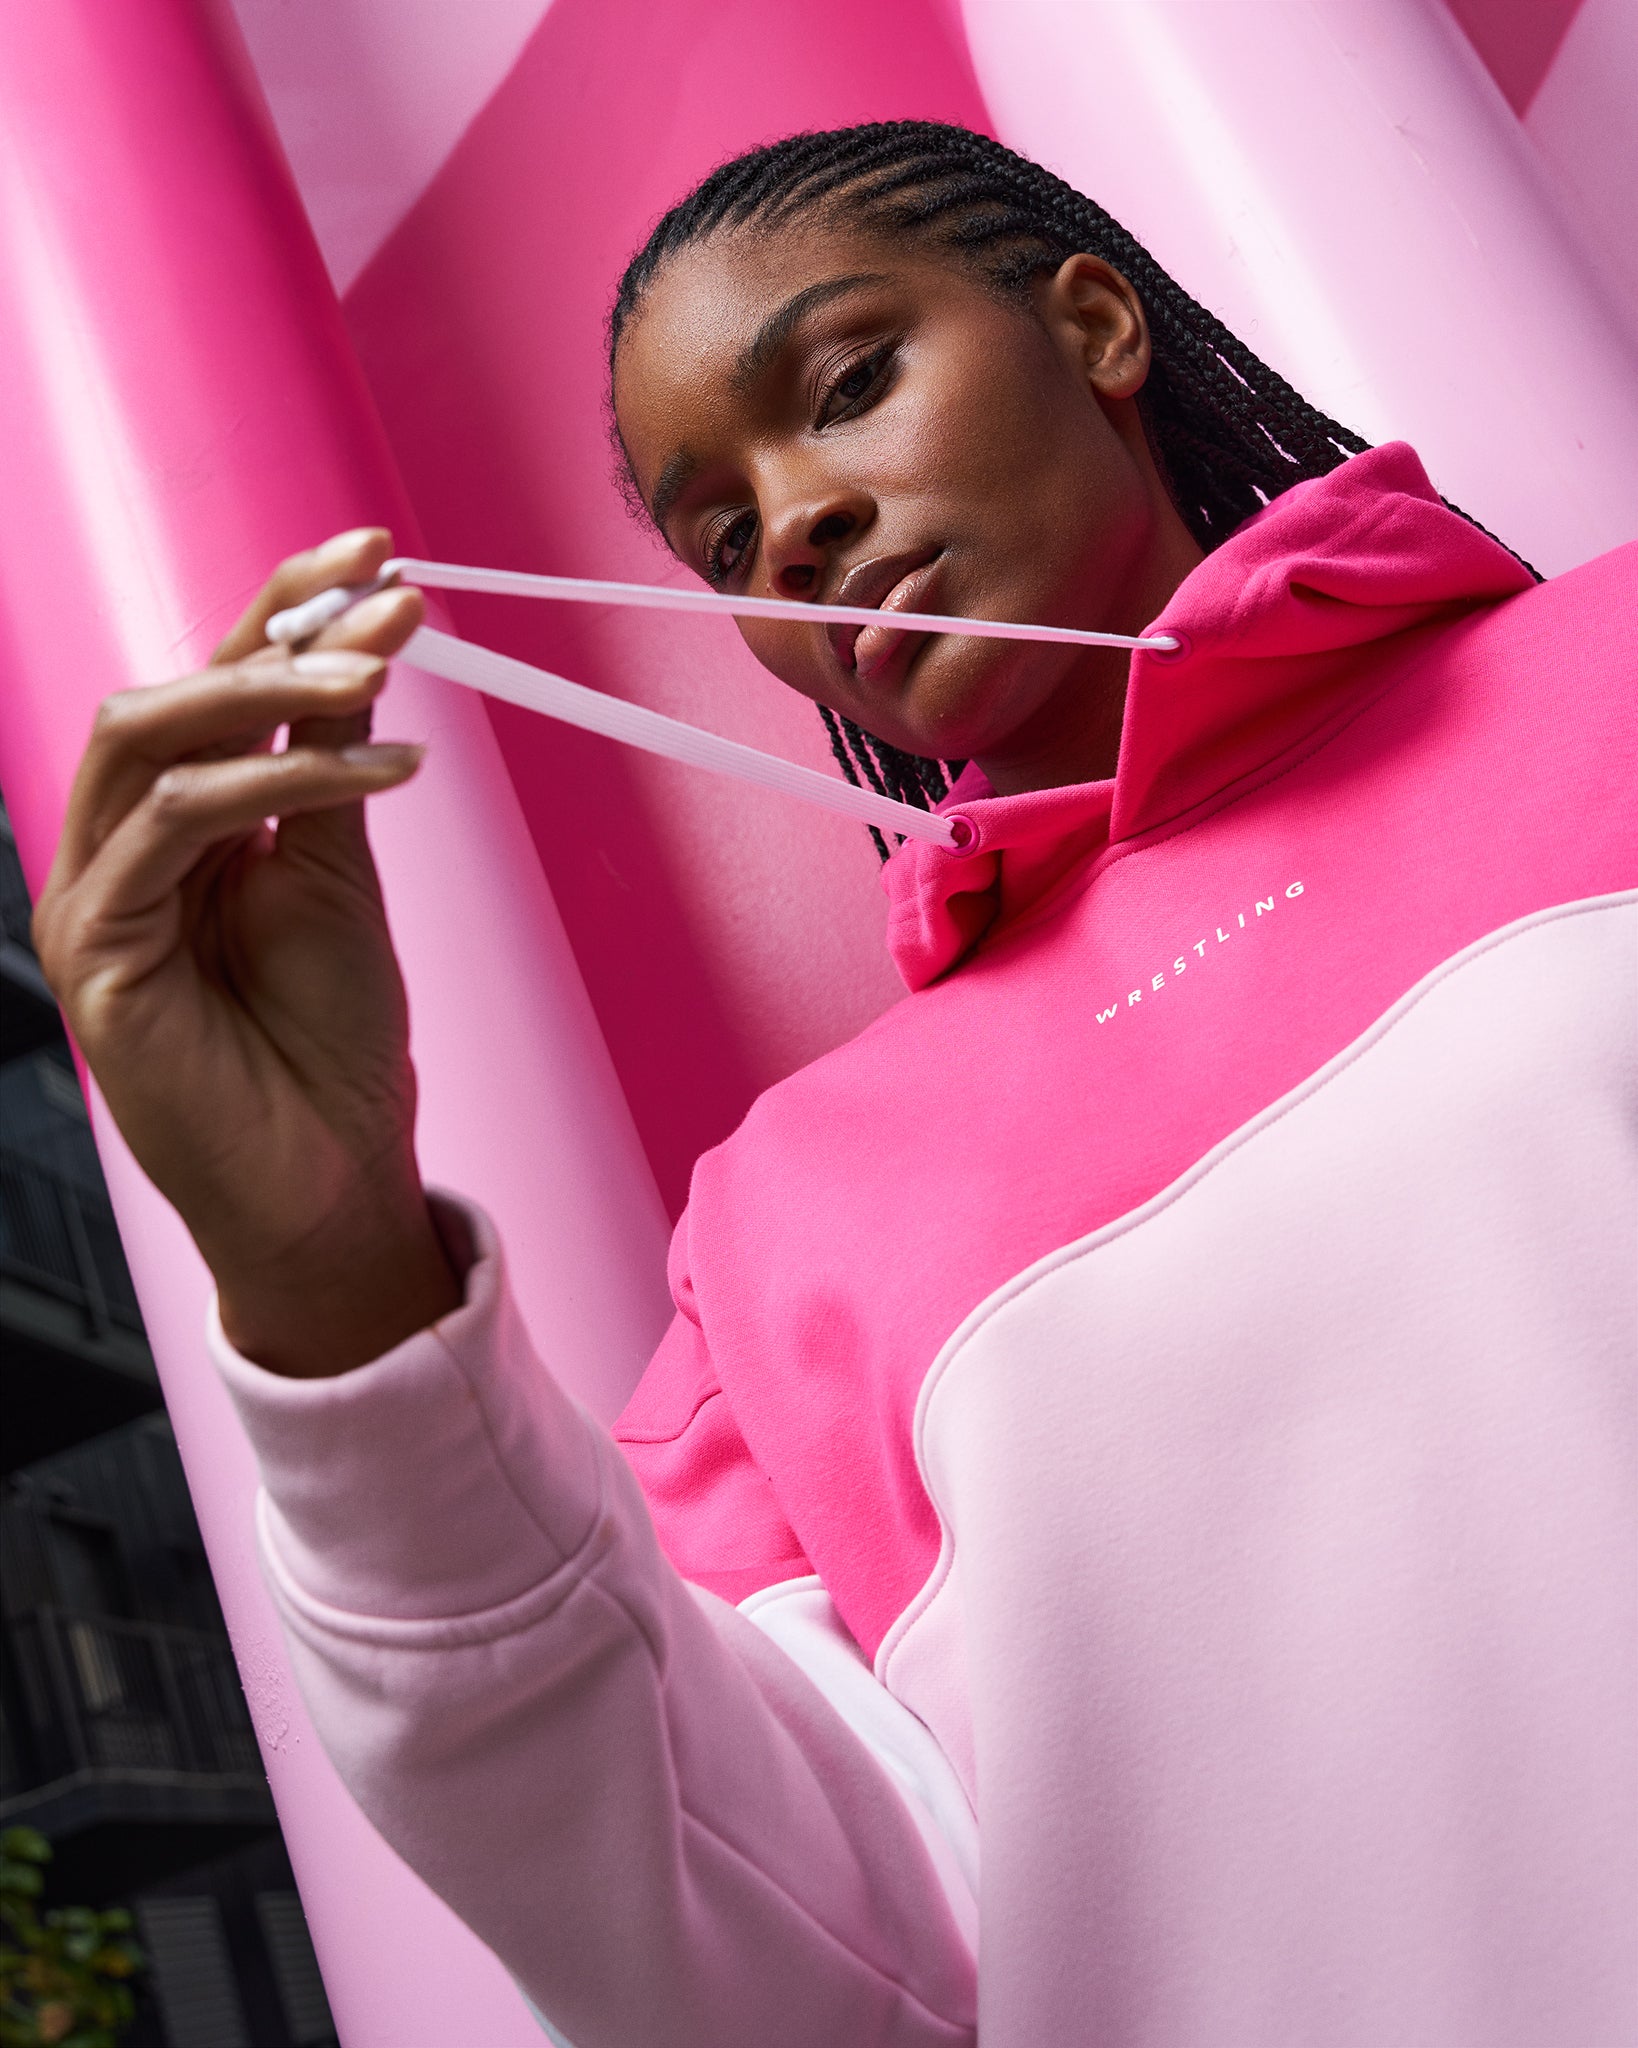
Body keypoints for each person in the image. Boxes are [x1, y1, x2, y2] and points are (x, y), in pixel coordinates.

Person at [33, 122, 1635, 2048]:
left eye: (850, 382)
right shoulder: (786, 1213)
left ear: (1096, 322)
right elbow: (745, 1932)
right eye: (722, 534)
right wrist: (326, 1265)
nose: (791, 524)